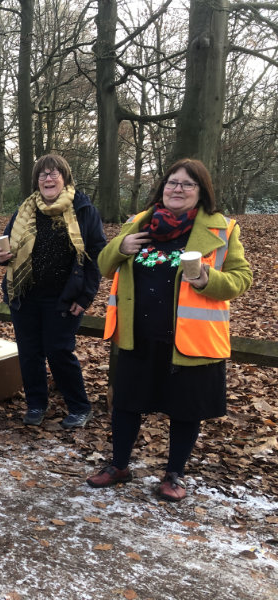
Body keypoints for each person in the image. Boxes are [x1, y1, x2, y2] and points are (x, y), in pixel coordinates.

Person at [86, 158, 252, 501]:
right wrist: (120, 247)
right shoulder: (137, 224)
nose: (178, 189)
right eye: (172, 183)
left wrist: (207, 279)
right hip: (137, 335)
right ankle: (119, 465)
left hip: (190, 338)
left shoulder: (222, 230)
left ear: (201, 191)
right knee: (127, 404)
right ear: (162, 188)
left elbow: (241, 279)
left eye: (187, 184)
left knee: (185, 408)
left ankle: (174, 474)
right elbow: (103, 265)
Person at [0, 154, 106, 429]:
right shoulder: (25, 209)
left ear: (65, 177)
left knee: (58, 351)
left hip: (64, 297)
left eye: (54, 172)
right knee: (30, 352)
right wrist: (0, 256)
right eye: (43, 174)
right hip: (26, 294)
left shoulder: (82, 208)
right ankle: (36, 404)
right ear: (37, 181)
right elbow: (6, 248)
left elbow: (96, 255)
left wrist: (85, 296)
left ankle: (80, 407)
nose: (48, 177)